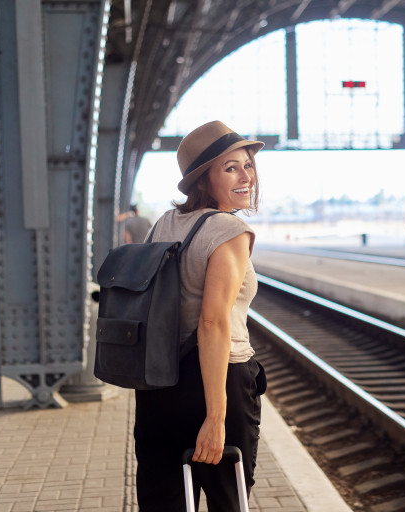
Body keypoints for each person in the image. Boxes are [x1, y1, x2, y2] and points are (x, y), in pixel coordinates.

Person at [133, 121, 266, 511]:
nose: (246, 176)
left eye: (247, 165)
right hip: (218, 380)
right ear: (203, 179)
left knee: (162, 502)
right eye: (231, 168)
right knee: (227, 501)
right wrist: (216, 416)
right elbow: (213, 322)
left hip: (158, 384)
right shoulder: (228, 230)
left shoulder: (163, 224)